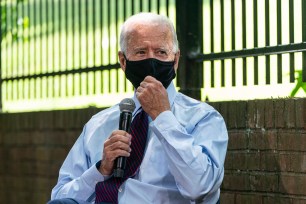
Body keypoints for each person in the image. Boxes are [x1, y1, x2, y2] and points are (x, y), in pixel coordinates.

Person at [48, 12, 228, 204]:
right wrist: (100, 170)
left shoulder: (203, 118)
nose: (151, 60)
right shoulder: (99, 124)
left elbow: (200, 189)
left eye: (161, 52)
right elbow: (60, 196)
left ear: (175, 60)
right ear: (124, 62)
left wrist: (163, 117)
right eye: (141, 52)